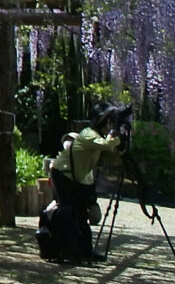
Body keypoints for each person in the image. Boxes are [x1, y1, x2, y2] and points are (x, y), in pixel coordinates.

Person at [41, 109, 127, 265]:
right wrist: (116, 134)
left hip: (75, 177)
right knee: (68, 210)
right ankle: (67, 249)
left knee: (82, 213)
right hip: (62, 173)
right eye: (107, 125)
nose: (108, 129)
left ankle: (86, 252)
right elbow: (107, 144)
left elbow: (111, 153)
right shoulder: (88, 134)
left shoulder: (96, 136)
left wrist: (120, 143)